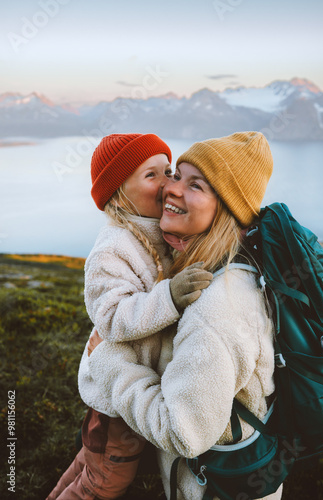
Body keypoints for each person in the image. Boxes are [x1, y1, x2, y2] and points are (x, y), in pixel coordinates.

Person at [87, 131, 283, 499]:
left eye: (195, 185)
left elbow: (183, 432)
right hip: (209, 481)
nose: (170, 188)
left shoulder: (216, 312)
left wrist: (109, 363)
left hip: (213, 486)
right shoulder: (213, 265)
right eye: (178, 175)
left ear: (223, 207)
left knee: (96, 482)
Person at [46, 133, 212, 500]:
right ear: (119, 193)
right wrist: (168, 296)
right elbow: (113, 318)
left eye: (168, 170)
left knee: (90, 463)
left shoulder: (158, 232)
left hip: (134, 386)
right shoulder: (112, 249)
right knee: (105, 479)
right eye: (151, 175)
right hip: (115, 399)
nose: (169, 183)